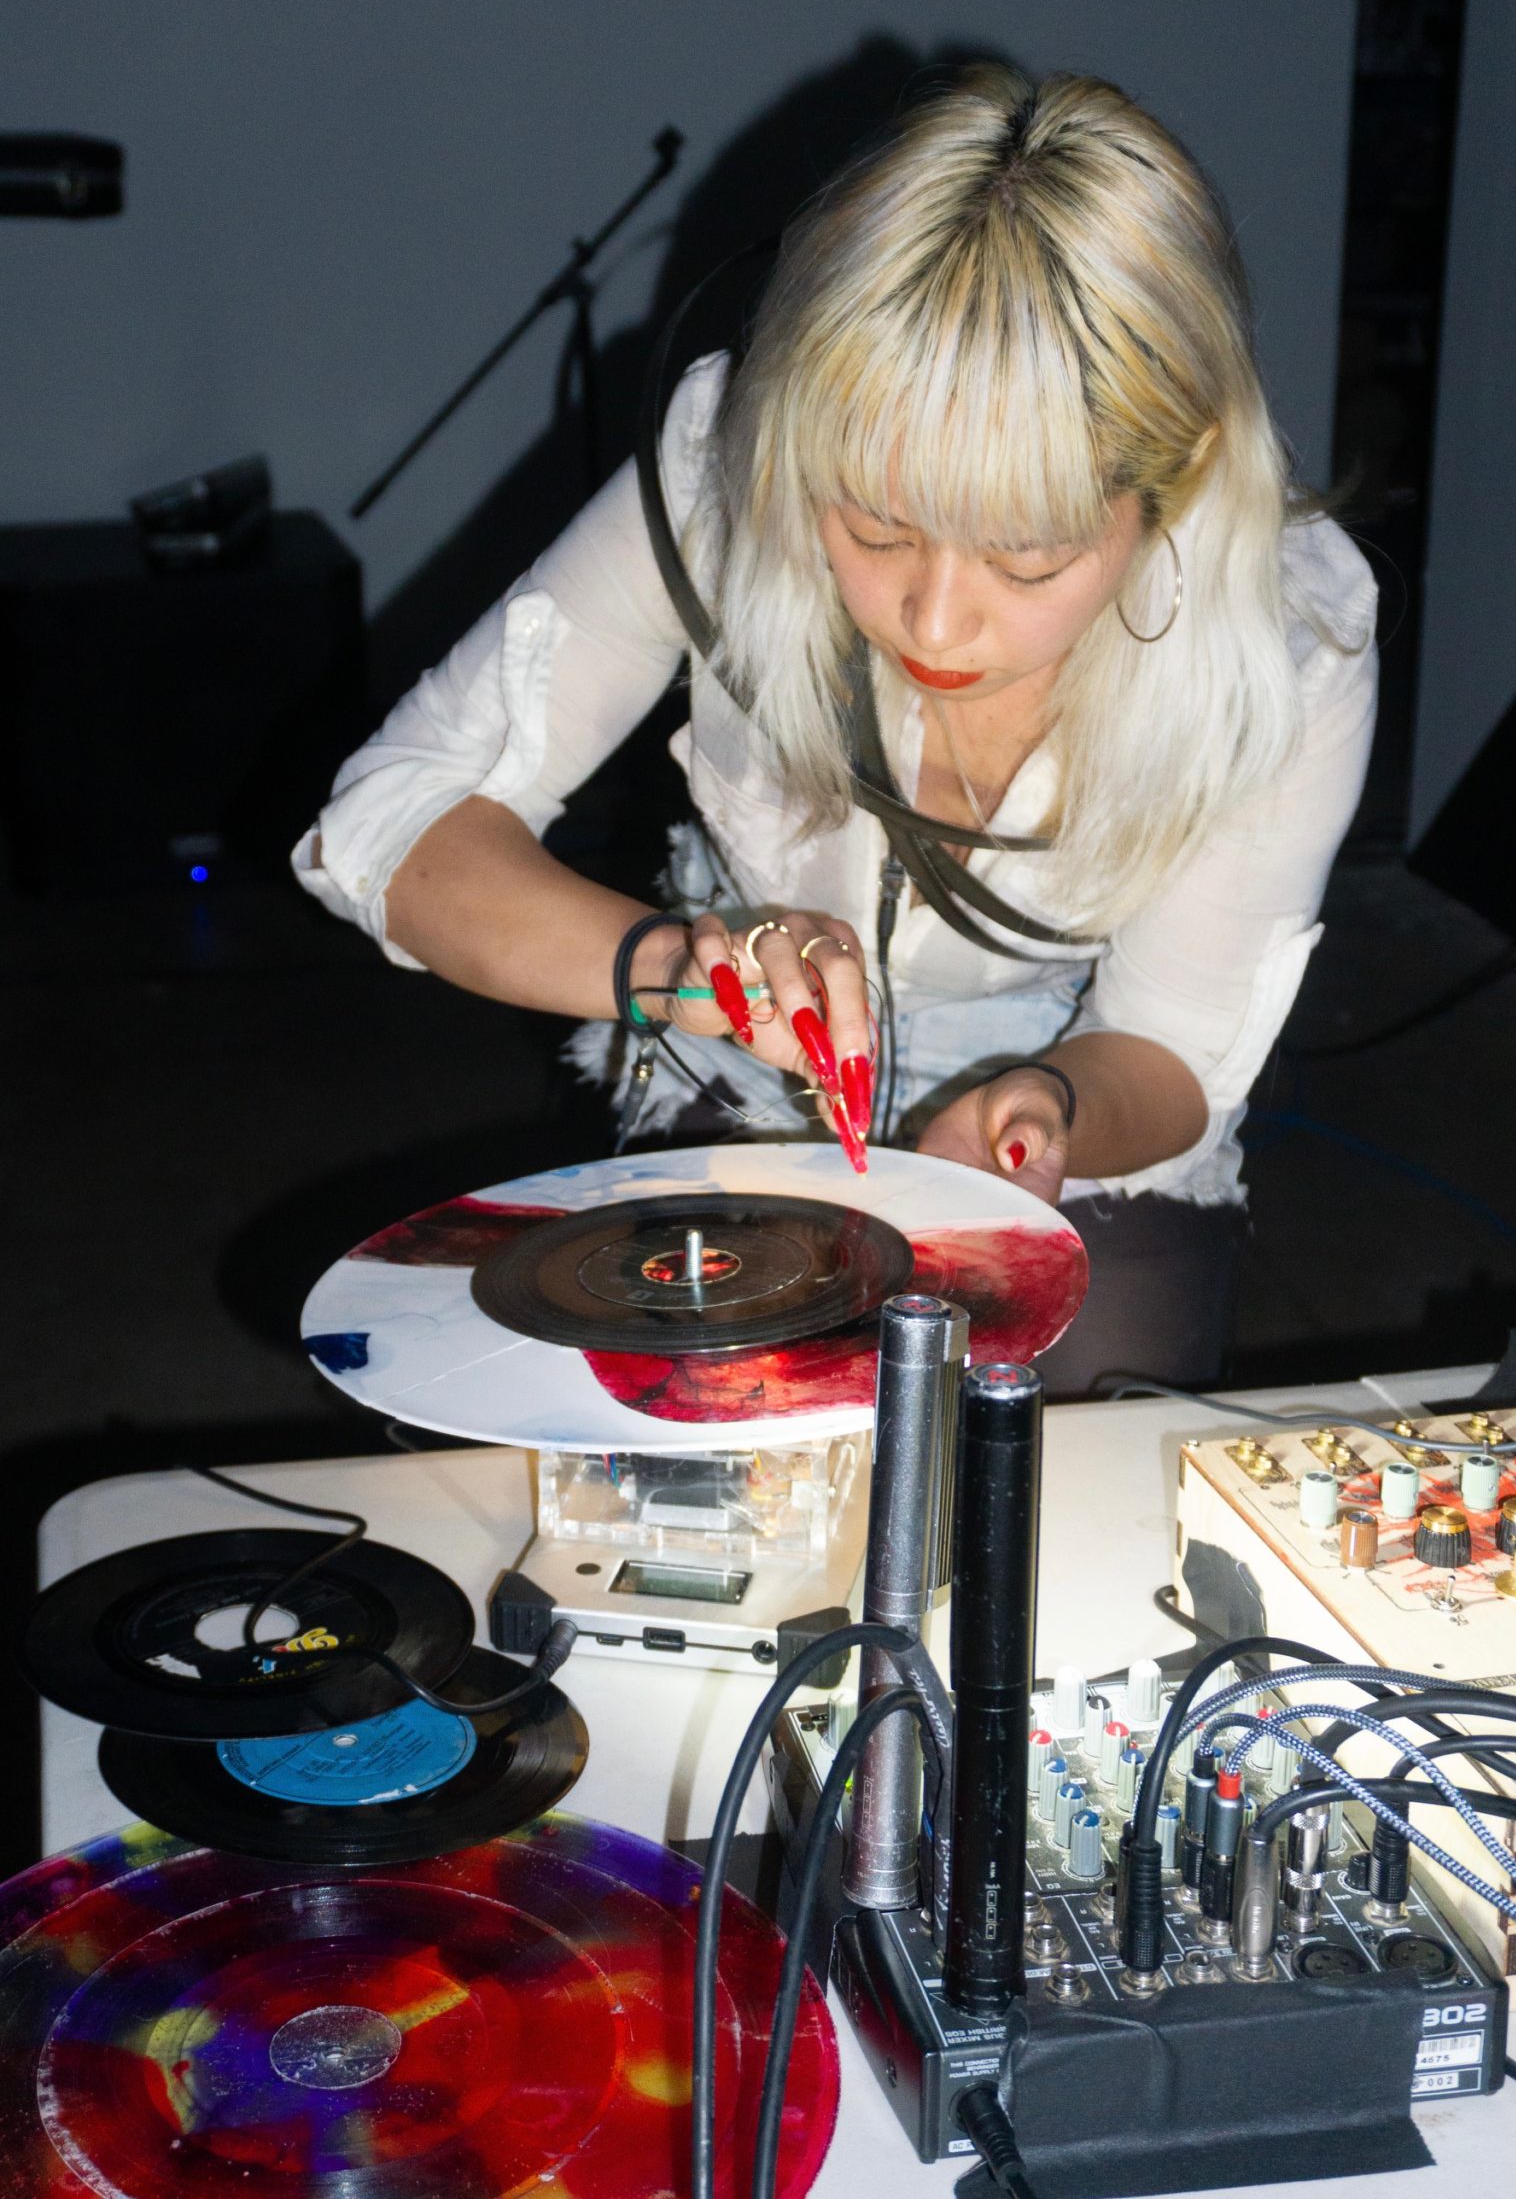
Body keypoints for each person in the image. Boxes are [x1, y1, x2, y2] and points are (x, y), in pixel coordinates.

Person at [295, 68, 1376, 1393]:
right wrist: (688, 971)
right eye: (867, 526)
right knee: (688, 1453)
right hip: (744, 1060)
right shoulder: (723, 461)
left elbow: (1171, 1046)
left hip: (1089, 1089)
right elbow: (388, 828)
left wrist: (1049, 1108)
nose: (934, 617)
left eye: (1024, 560)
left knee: (1065, 1468)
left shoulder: (1291, 632)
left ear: (1173, 481)